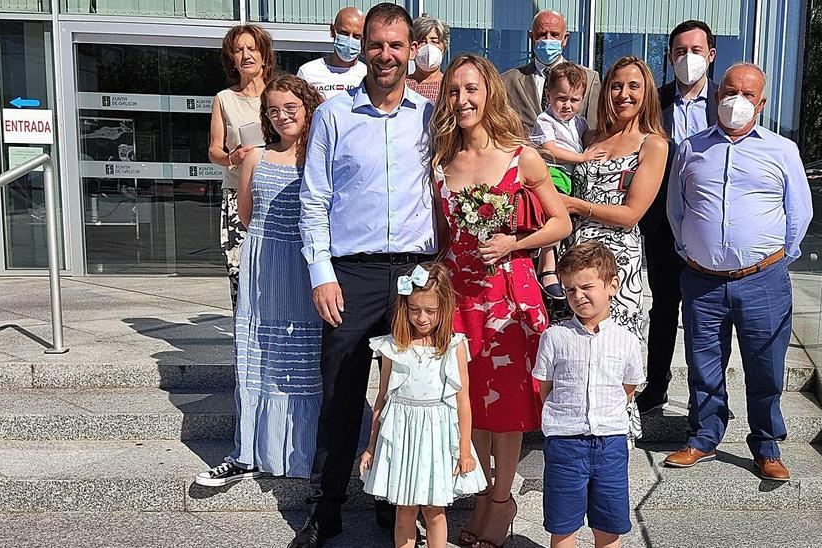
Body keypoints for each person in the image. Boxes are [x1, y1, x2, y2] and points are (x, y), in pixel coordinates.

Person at [294, 4, 436, 547]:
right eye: (376, 44)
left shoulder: (430, 117)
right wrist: (321, 274)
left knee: (407, 395)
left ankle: (393, 507)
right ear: (363, 47)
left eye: (395, 46)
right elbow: (314, 201)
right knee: (342, 395)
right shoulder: (334, 116)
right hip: (351, 274)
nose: (384, 55)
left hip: (417, 275)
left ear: (411, 51)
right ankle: (325, 508)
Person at [431, 54, 572, 548]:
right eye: (453, 91)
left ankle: (500, 500)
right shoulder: (441, 161)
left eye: (471, 89)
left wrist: (514, 244)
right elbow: (442, 237)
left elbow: (560, 223)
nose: (462, 99)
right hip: (459, 299)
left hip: (508, 299)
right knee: (470, 404)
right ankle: (486, 493)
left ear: (488, 92)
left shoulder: (521, 156)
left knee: (507, 406)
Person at [662, 62, 813, 482]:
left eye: (748, 95)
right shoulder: (691, 148)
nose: (737, 102)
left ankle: (766, 446)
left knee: (765, 367)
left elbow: (799, 214)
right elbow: (677, 208)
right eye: (730, 92)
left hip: (763, 279)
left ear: (761, 103)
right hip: (701, 280)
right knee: (703, 364)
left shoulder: (783, 151)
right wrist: (691, 249)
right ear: (715, 95)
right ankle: (704, 437)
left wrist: (775, 258)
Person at [196, 75, 325, 487]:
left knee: (303, 358)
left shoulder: (323, 157)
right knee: (260, 353)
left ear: (308, 108)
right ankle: (251, 448)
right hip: (264, 261)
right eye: (273, 109)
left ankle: (303, 450)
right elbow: (249, 216)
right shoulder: (256, 156)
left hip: (306, 266)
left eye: (291, 107)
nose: (282, 115)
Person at [360, 263, 488, 548]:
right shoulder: (392, 347)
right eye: (414, 309)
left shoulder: (454, 346)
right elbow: (383, 398)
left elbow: (463, 402)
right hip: (403, 435)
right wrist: (371, 445)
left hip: (437, 438)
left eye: (430, 311)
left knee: (434, 509)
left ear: (444, 309)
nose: (422, 317)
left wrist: (465, 449)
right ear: (404, 307)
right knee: (404, 508)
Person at [533, 242, 644, 548]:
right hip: (565, 445)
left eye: (587, 287)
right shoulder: (555, 337)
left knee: (609, 529)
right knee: (563, 525)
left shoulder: (626, 341)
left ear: (612, 285)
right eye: (570, 290)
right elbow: (546, 386)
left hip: (610, 444)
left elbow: (628, 387)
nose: (578, 296)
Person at [635, 19, 721, 415]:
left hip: (709, 227)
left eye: (696, 51)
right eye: (680, 51)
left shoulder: (726, 103)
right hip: (660, 223)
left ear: (711, 56)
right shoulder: (653, 101)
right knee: (665, 305)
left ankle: (708, 396)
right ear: (669, 57)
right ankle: (656, 385)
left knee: (708, 313)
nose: (688, 58)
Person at [562, 56, 669, 339]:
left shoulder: (653, 144)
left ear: (646, 94)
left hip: (616, 259)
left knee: (615, 351)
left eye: (634, 86)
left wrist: (574, 205)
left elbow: (631, 214)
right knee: (572, 349)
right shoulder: (589, 137)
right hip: (573, 253)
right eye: (616, 86)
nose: (624, 94)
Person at [530, 62, 607, 300]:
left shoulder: (579, 123)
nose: (567, 105)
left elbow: (590, 138)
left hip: (571, 177)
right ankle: (547, 266)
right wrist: (582, 157)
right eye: (561, 98)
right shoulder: (545, 121)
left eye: (574, 100)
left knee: (567, 223)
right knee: (556, 218)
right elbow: (551, 150)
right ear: (548, 95)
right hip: (552, 172)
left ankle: (560, 265)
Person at [209, 24, 274, 308]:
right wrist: (231, 157)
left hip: (277, 191)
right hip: (238, 192)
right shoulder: (224, 99)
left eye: (252, 48)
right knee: (240, 272)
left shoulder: (279, 94)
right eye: (238, 50)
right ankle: (245, 341)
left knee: (277, 272)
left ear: (264, 54)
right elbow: (214, 150)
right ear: (231, 58)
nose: (246, 54)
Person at [499, 9, 601, 134]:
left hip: (573, 152)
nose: (548, 39)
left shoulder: (590, 79)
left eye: (554, 34)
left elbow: (594, 129)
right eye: (542, 34)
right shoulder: (507, 81)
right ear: (532, 38)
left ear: (565, 39)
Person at [297, 7, 367, 101]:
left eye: (357, 36)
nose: (350, 40)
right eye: (344, 33)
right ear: (332, 30)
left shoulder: (368, 74)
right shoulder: (307, 72)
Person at [407, 14, 449, 103]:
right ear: (413, 47)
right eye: (422, 42)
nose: (428, 47)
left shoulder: (449, 86)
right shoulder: (401, 85)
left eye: (434, 41)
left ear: (444, 47)